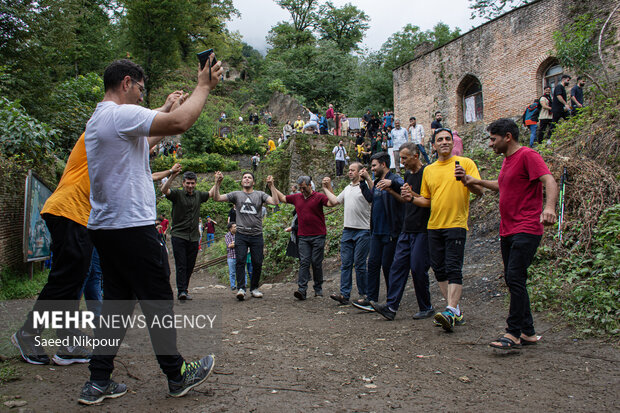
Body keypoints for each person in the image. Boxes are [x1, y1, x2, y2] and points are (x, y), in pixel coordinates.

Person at [80, 57, 223, 405]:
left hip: (107, 227)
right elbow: (181, 123)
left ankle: (98, 380)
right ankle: (176, 375)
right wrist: (203, 86)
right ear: (126, 82)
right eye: (142, 89)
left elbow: (145, 142)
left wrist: (165, 110)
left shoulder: (101, 119)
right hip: (132, 226)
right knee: (158, 297)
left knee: (116, 304)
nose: (143, 97)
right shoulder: (119, 114)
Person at [462, 119, 557, 349]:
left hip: (526, 227)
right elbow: (503, 185)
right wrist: (477, 181)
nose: (491, 144)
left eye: (493, 139)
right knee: (514, 279)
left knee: (515, 277)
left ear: (507, 136)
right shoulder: (507, 161)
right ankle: (528, 333)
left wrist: (550, 208)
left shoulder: (527, 155)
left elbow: (549, 180)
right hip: (508, 229)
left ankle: (513, 332)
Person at [407, 128, 483, 332]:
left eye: (448, 139)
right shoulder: (429, 170)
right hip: (434, 226)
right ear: (433, 145)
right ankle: (455, 311)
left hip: (456, 224)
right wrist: (411, 198)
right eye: (440, 140)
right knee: (439, 269)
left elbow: (479, 190)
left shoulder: (465, 164)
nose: (444, 142)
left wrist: (467, 180)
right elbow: (427, 199)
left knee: (453, 267)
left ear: (453, 142)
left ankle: (450, 309)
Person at [371, 143, 433, 320]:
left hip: (422, 228)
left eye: (405, 158)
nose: (402, 162)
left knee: (418, 268)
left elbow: (428, 199)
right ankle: (391, 307)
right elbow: (405, 200)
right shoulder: (407, 175)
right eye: (401, 158)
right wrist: (391, 190)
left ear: (416, 156)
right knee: (397, 267)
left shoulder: (427, 173)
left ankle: (426, 306)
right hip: (407, 228)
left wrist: (405, 192)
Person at [212, 171, 278, 300]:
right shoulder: (236, 195)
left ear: (253, 182)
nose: (247, 179)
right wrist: (217, 183)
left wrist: (272, 186)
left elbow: (275, 201)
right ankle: (241, 288)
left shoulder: (260, 194)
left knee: (257, 262)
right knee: (240, 261)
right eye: (244, 177)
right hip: (241, 234)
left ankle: (254, 288)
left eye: (249, 177)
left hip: (256, 234)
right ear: (242, 181)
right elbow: (217, 198)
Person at [354, 152, 404, 311]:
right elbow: (371, 198)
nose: (372, 168)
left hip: (390, 231)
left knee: (388, 266)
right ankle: (371, 298)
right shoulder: (377, 182)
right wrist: (363, 183)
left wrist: (391, 184)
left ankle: (392, 301)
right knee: (373, 264)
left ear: (383, 164)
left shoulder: (394, 178)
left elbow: (403, 187)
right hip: (376, 232)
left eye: (374, 165)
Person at [272, 176, 336, 300]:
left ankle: (318, 289)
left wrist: (328, 187)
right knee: (304, 262)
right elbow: (283, 198)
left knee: (316, 263)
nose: (301, 190)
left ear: (310, 185)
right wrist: (273, 186)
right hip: (303, 236)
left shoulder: (318, 197)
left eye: (303, 188)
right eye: (300, 188)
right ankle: (302, 290)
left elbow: (332, 203)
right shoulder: (297, 197)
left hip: (318, 235)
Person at [324, 163, 372, 305]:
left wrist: (367, 178)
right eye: (349, 170)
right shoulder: (347, 188)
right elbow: (335, 201)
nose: (350, 172)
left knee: (359, 263)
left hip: (363, 230)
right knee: (345, 264)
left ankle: (365, 294)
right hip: (347, 230)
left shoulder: (366, 187)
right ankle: (344, 295)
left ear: (360, 172)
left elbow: (373, 195)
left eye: (353, 170)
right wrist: (325, 188)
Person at [161, 171, 212, 300]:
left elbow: (210, 194)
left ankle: (184, 288)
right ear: (183, 183)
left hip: (194, 236)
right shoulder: (177, 194)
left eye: (192, 183)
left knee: (190, 265)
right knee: (181, 264)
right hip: (179, 235)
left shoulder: (198, 195)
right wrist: (172, 175)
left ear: (195, 183)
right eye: (187, 183)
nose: (190, 185)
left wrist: (217, 182)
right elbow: (164, 190)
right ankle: (182, 291)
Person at [225, 222, 248, 290]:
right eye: (234, 227)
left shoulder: (240, 234)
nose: (236, 228)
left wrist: (234, 243)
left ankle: (244, 284)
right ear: (230, 229)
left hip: (240, 256)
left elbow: (243, 244)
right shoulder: (227, 235)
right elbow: (229, 245)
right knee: (232, 272)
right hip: (231, 256)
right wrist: (237, 243)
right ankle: (233, 285)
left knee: (243, 271)